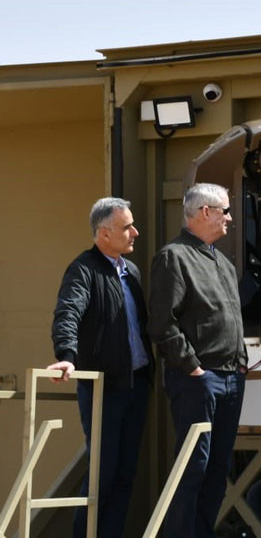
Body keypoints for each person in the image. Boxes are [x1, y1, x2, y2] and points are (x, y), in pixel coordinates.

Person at [48, 197, 153, 538]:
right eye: (127, 227)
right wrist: (67, 355)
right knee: (101, 476)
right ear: (104, 233)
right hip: (104, 389)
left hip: (136, 385)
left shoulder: (131, 271)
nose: (135, 232)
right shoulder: (83, 269)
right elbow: (68, 312)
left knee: (125, 476)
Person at [148, 182, 247, 538]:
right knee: (193, 468)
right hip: (198, 381)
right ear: (205, 212)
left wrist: (240, 364)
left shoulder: (221, 260)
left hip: (230, 378)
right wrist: (193, 368)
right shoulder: (173, 257)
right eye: (225, 211)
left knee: (218, 469)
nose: (230, 218)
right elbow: (162, 324)